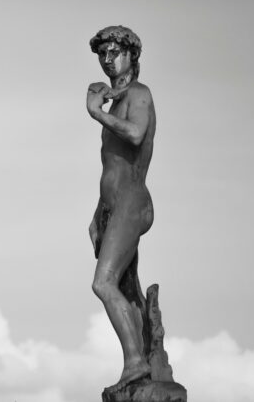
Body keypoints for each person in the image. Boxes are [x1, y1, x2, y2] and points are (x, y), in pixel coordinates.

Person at [86, 25, 156, 392]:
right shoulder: (117, 99)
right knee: (126, 291)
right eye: (103, 54)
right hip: (115, 208)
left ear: (132, 56)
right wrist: (99, 213)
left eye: (115, 52)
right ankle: (143, 355)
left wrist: (96, 113)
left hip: (132, 203)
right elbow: (110, 164)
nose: (108, 59)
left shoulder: (139, 94)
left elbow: (135, 135)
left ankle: (135, 363)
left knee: (103, 283)